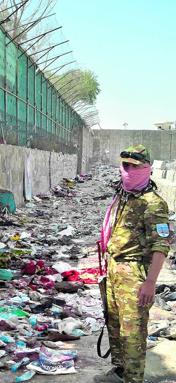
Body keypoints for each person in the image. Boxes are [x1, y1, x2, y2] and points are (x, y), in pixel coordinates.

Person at [95, 145, 172, 383]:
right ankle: (119, 371)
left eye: (134, 166)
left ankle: (133, 379)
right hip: (114, 270)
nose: (128, 170)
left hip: (134, 276)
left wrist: (150, 282)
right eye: (125, 165)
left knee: (133, 335)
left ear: (146, 168)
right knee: (115, 327)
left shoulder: (153, 203)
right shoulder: (125, 195)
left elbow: (161, 245)